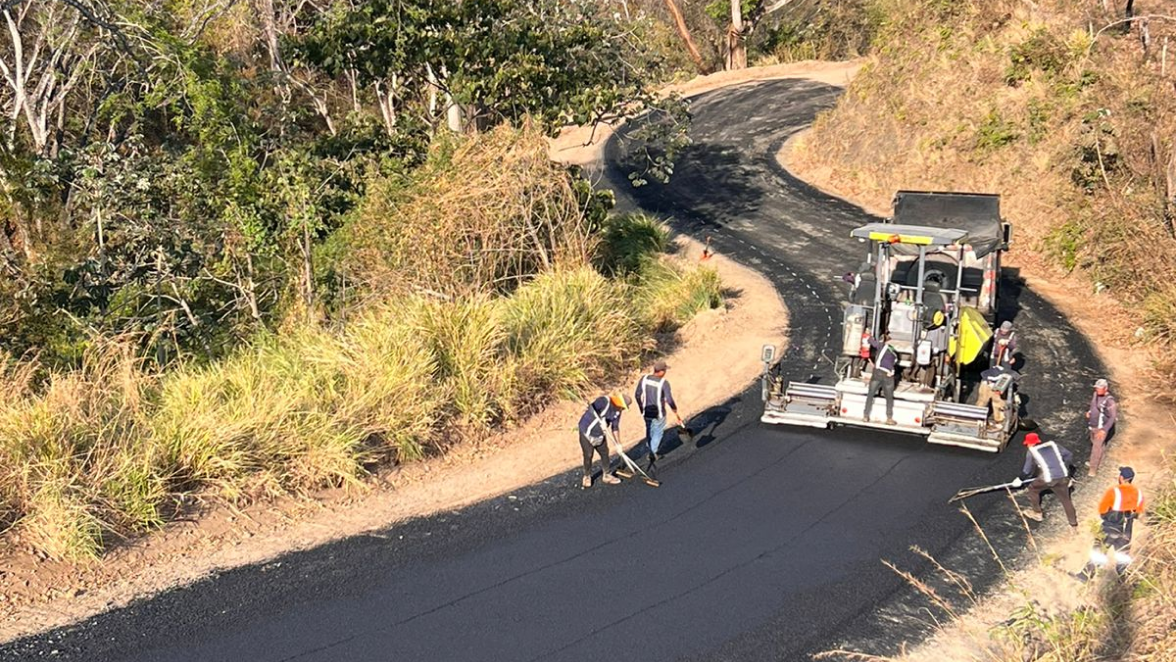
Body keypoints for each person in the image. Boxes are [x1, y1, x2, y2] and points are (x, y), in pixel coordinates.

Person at [1078, 466, 1145, 580]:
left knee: (1099, 551)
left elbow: (1102, 510)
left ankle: (1085, 576)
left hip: (1110, 527)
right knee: (1122, 556)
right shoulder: (1138, 493)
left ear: (1121, 477)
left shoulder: (1114, 491)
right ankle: (1124, 579)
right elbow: (1138, 513)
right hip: (1126, 532)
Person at [1017, 432, 1078, 530]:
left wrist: (1020, 479)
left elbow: (1027, 470)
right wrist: (1065, 468)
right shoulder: (1053, 445)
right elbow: (1069, 455)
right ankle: (1073, 524)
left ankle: (1037, 513)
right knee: (1066, 500)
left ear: (1030, 443)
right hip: (1063, 477)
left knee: (1033, 489)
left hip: (1049, 479)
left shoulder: (1032, 452)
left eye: (1027, 444)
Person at [634, 360, 682, 472]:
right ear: (660, 371)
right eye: (664, 370)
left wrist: (641, 407)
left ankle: (650, 446)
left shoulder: (644, 379)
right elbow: (669, 399)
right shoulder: (663, 383)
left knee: (649, 429)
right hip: (659, 413)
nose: (665, 372)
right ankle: (653, 452)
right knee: (658, 432)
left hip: (646, 412)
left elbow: (637, 395)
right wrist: (674, 408)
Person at [577, 392, 631, 489]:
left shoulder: (617, 412)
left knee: (605, 453)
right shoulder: (604, 401)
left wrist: (618, 444)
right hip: (587, 432)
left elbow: (615, 427)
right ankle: (587, 476)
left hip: (600, 434)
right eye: (623, 407)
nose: (622, 409)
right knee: (588, 455)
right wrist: (601, 419)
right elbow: (592, 407)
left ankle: (607, 475)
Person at [863, 331, 897, 425]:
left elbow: (870, 341)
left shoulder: (881, 346)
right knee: (889, 397)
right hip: (888, 374)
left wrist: (868, 333)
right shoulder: (893, 351)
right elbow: (895, 361)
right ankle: (889, 418)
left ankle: (866, 415)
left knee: (870, 394)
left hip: (877, 373)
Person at [1086, 378, 1119, 476]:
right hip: (1092, 425)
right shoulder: (1095, 394)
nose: (1098, 390)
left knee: (1096, 447)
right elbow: (1093, 405)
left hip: (1101, 428)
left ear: (1105, 388)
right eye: (1096, 388)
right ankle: (1097, 461)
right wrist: (1090, 412)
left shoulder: (1110, 401)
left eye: (1100, 388)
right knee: (1097, 444)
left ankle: (1093, 468)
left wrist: (1104, 430)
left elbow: (1113, 417)